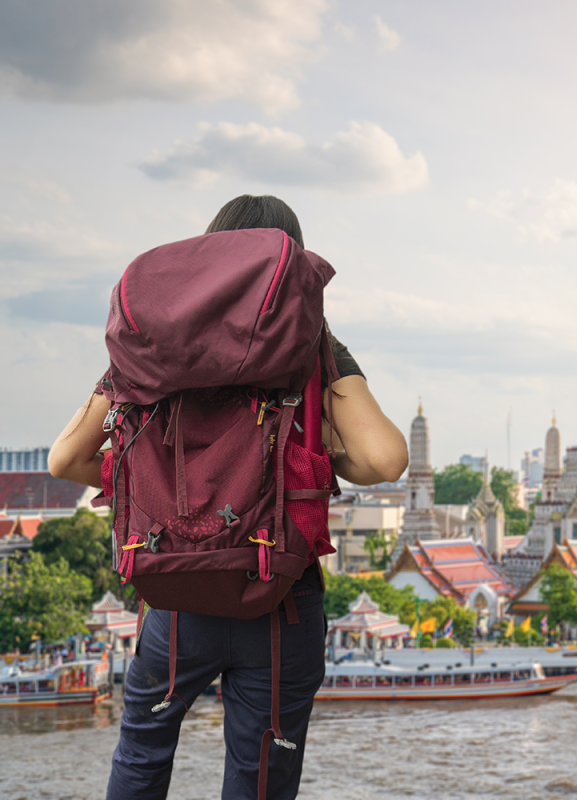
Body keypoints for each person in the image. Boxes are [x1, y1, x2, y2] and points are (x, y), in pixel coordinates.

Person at [48, 195, 409, 800]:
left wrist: (160, 486)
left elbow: (67, 459)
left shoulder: (154, 347)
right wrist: (304, 464)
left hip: (175, 594)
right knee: (259, 777)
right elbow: (383, 459)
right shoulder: (309, 347)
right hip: (279, 597)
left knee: (141, 753)